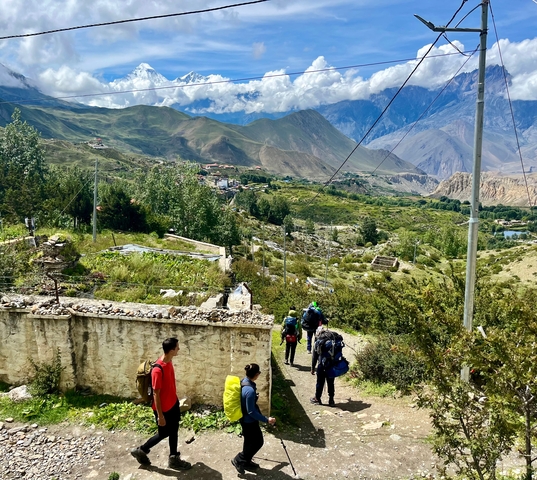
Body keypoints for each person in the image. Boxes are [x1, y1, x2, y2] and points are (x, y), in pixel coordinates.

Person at [131, 338, 192, 470]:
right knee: (164, 433)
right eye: (177, 348)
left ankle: (174, 457)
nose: (179, 349)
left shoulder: (168, 360)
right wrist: (160, 416)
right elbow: (155, 394)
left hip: (173, 403)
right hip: (164, 409)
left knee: (174, 430)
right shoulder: (158, 370)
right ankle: (141, 450)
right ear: (171, 351)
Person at [231, 363, 276, 474]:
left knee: (249, 441)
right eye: (259, 373)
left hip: (244, 419)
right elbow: (251, 411)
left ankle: (246, 461)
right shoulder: (250, 391)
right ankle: (239, 459)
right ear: (256, 374)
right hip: (249, 421)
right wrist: (266, 419)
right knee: (258, 442)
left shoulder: (244, 382)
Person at [310, 328, 335, 406]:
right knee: (331, 383)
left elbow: (314, 357)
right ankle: (331, 400)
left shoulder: (318, 342)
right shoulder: (332, 341)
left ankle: (317, 398)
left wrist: (313, 368)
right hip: (331, 365)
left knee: (320, 382)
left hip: (322, 365)